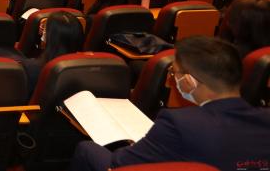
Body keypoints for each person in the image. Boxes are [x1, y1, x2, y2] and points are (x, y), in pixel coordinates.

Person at [71, 36, 270, 171]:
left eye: (174, 73)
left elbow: (121, 163)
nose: (172, 79)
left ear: (189, 81)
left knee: (87, 149)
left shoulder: (179, 123)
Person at [23, 11, 84, 94]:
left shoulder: (30, 68)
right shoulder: (85, 67)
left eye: (45, 28)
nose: (42, 30)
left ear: (49, 36)